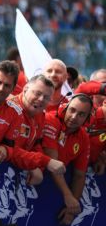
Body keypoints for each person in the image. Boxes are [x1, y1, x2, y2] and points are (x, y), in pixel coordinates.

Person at [43, 94, 92, 225]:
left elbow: (79, 175)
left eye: (81, 114)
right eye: (72, 110)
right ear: (65, 108)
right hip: (34, 179)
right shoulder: (51, 119)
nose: (74, 117)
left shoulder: (84, 137)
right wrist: (67, 195)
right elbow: (52, 162)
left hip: (53, 189)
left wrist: (71, 209)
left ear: (87, 118)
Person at [10, 75, 66, 184]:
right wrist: (42, 162)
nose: (41, 99)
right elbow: (9, 150)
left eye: (46, 97)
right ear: (25, 89)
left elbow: (36, 144)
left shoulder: (40, 114)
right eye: (37, 93)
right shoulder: (10, 109)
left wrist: (39, 168)